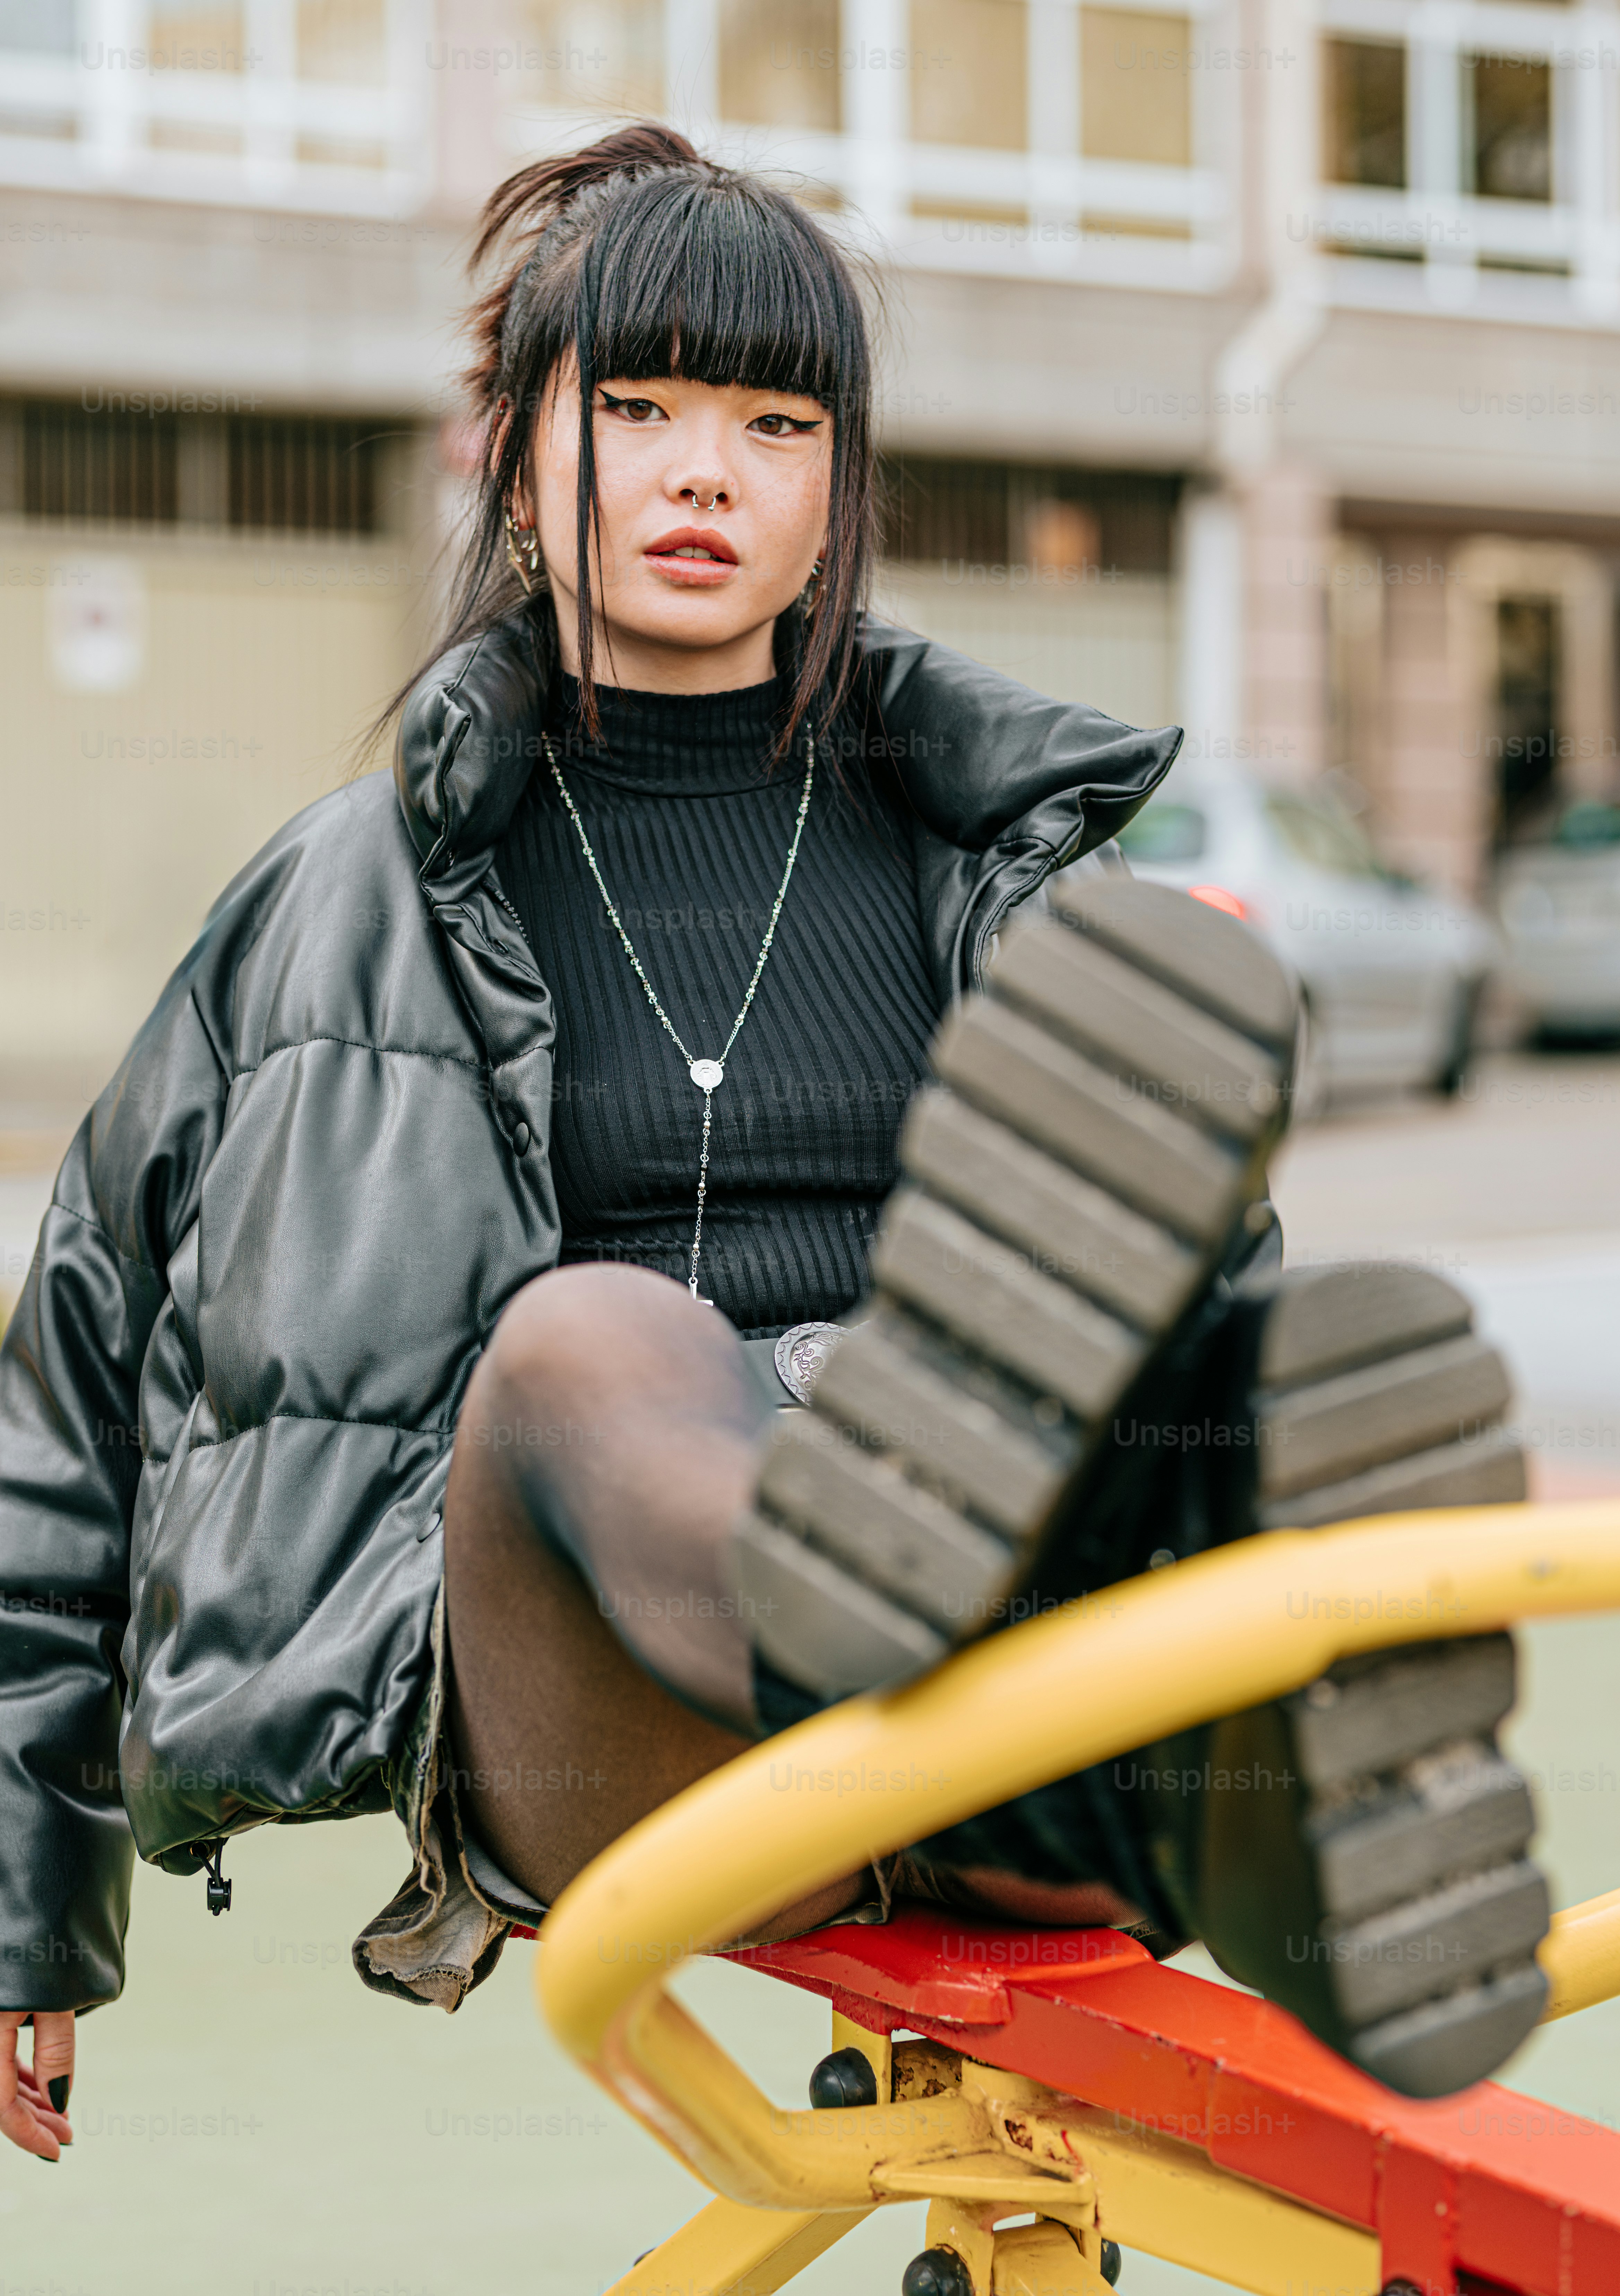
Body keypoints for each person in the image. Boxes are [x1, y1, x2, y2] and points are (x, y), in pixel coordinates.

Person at [0, 125, 1545, 2163]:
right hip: (609, 1727)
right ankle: (1000, 1686)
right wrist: (30, 1899)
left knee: (1221, 1369)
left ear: (839, 493)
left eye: (773, 419)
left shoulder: (1005, 887)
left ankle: (1187, 1805)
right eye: (631, 409)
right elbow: (72, 1371)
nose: (705, 467)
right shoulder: (346, 896)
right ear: (514, 457)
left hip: (1008, 1733)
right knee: (584, 1346)